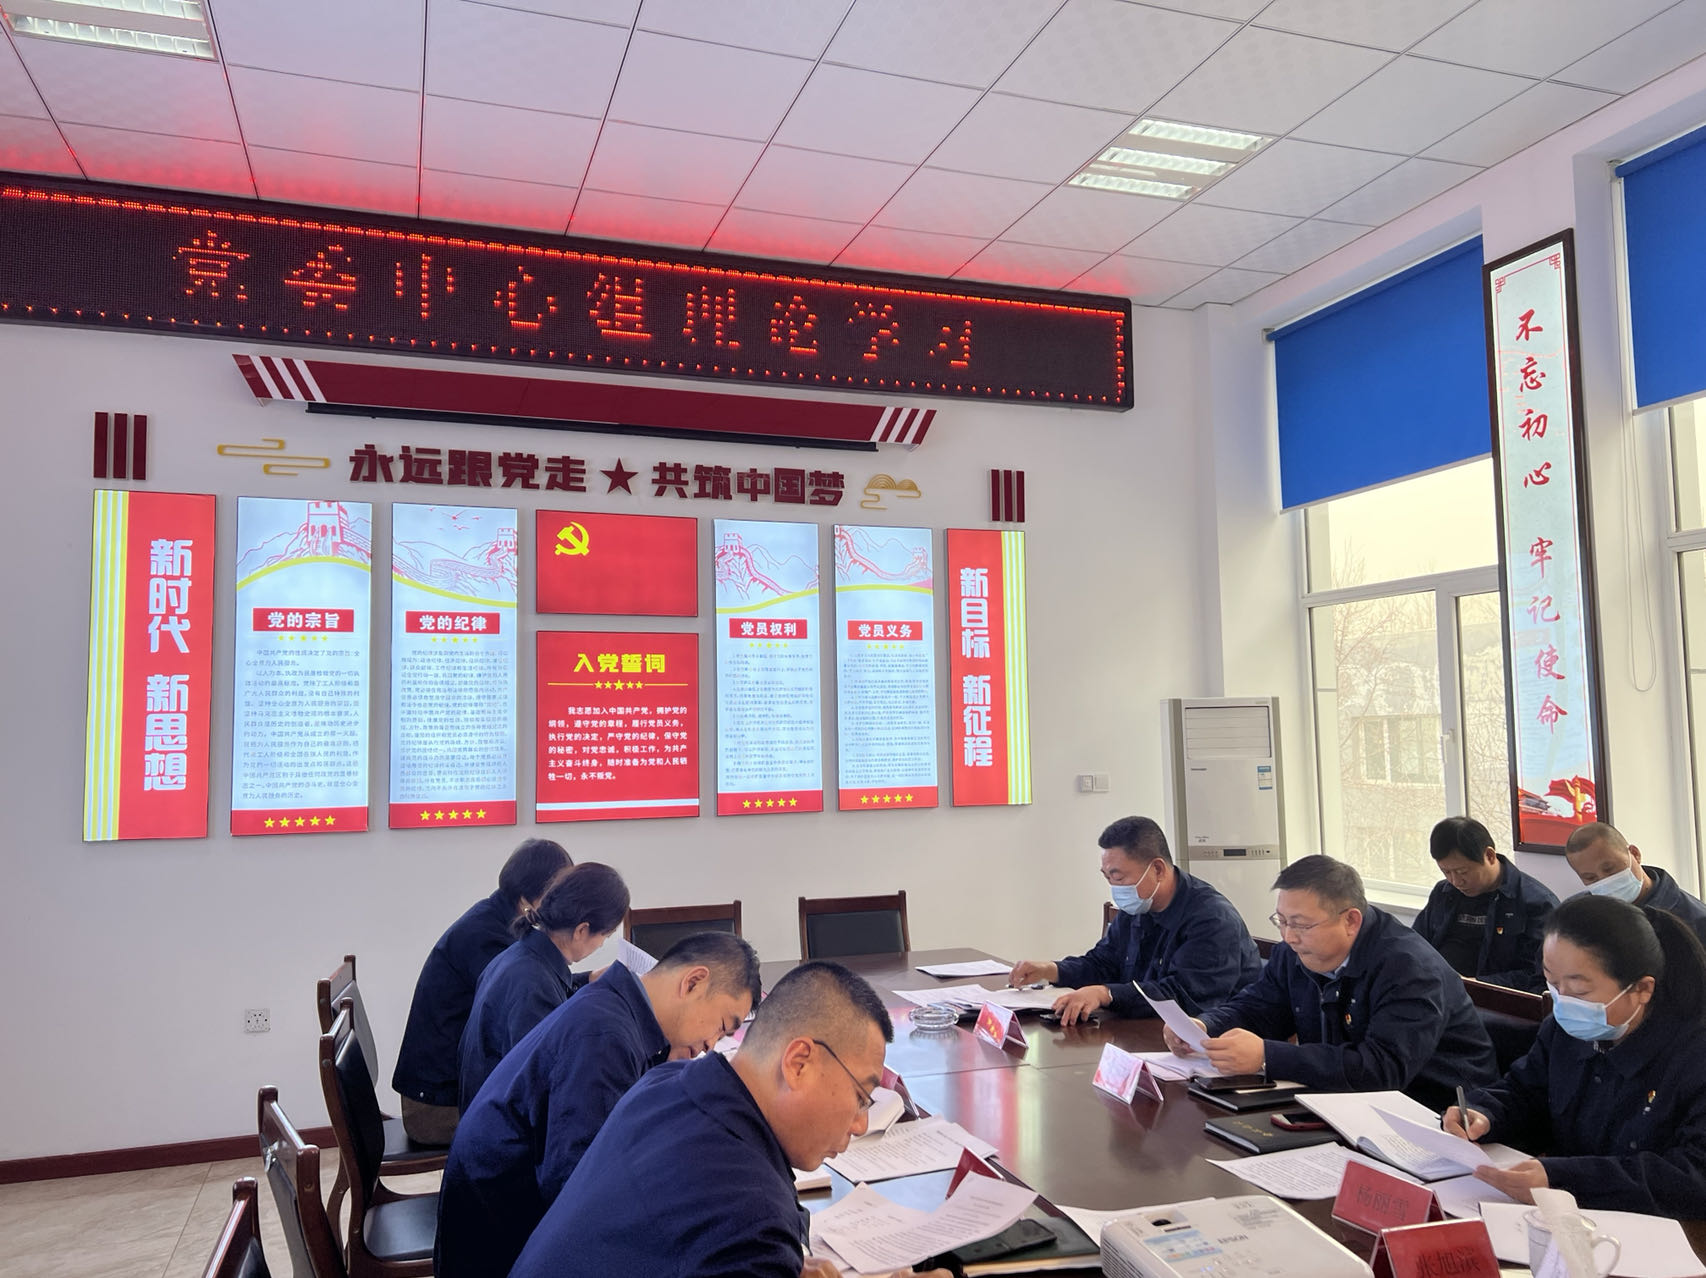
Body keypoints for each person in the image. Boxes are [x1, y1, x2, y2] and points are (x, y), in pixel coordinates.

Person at [508, 961, 948, 1278]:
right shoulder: (751, 1220)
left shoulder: (666, 1083)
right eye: (861, 1097)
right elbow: (736, 1227)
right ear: (798, 1063)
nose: (859, 1124)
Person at [437, 932, 763, 1278]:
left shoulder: (615, 1009)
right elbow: (583, 1193)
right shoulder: (605, 1038)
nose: (711, 1044)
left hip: (508, 1216)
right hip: (498, 1243)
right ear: (693, 982)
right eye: (721, 1026)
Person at [1168, 854, 1497, 1110]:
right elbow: (1260, 1008)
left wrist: (1268, 1055)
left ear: (1351, 920)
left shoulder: (1409, 968)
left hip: (1438, 1116)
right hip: (1340, 1104)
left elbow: (1382, 1070)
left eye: (1300, 924)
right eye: (1282, 921)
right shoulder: (1295, 952)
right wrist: (1205, 1026)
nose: (1288, 936)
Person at [1445, 895, 1706, 1216]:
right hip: (1561, 1216)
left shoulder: (1692, 1052)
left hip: (1662, 1228)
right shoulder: (1564, 1029)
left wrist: (1564, 1178)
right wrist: (1484, 1113)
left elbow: (1694, 1174)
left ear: (1642, 989)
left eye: (1580, 991)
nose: (1564, 1002)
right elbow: (1526, 1092)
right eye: (1553, 984)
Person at [392, 837, 572, 1144]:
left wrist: (585, 980)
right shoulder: (486, 937)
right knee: (550, 1128)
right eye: (556, 894)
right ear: (528, 898)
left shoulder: (494, 919)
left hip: (449, 1091)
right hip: (437, 1108)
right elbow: (526, 1002)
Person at [1008, 815, 1262, 1024]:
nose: (1114, 887)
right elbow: (1103, 963)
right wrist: (1051, 970)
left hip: (1213, 1041)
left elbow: (1183, 997)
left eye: (1118, 877)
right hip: (1144, 1030)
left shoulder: (1211, 919)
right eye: (1107, 877)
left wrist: (1105, 994)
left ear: (1158, 869)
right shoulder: (1138, 906)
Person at [458, 861, 628, 1109]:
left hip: (484, 1109)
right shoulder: (533, 988)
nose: (601, 944)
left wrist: (588, 979)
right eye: (606, 935)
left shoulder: (520, 956)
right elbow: (543, 1086)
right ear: (582, 930)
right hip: (502, 1124)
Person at [1411, 816, 1557, 992]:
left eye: (1462, 871)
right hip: (1437, 991)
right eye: (1446, 872)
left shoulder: (1536, 903)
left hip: (1494, 1000)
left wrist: (1476, 984)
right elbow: (1416, 946)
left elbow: (1539, 977)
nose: (1456, 881)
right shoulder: (1444, 892)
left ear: (1489, 856)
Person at [1564, 821, 1706, 943]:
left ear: (1635, 854)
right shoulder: (1573, 917)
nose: (1605, 880)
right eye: (1591, 878)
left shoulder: (1695, 919)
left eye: (1610, 869)